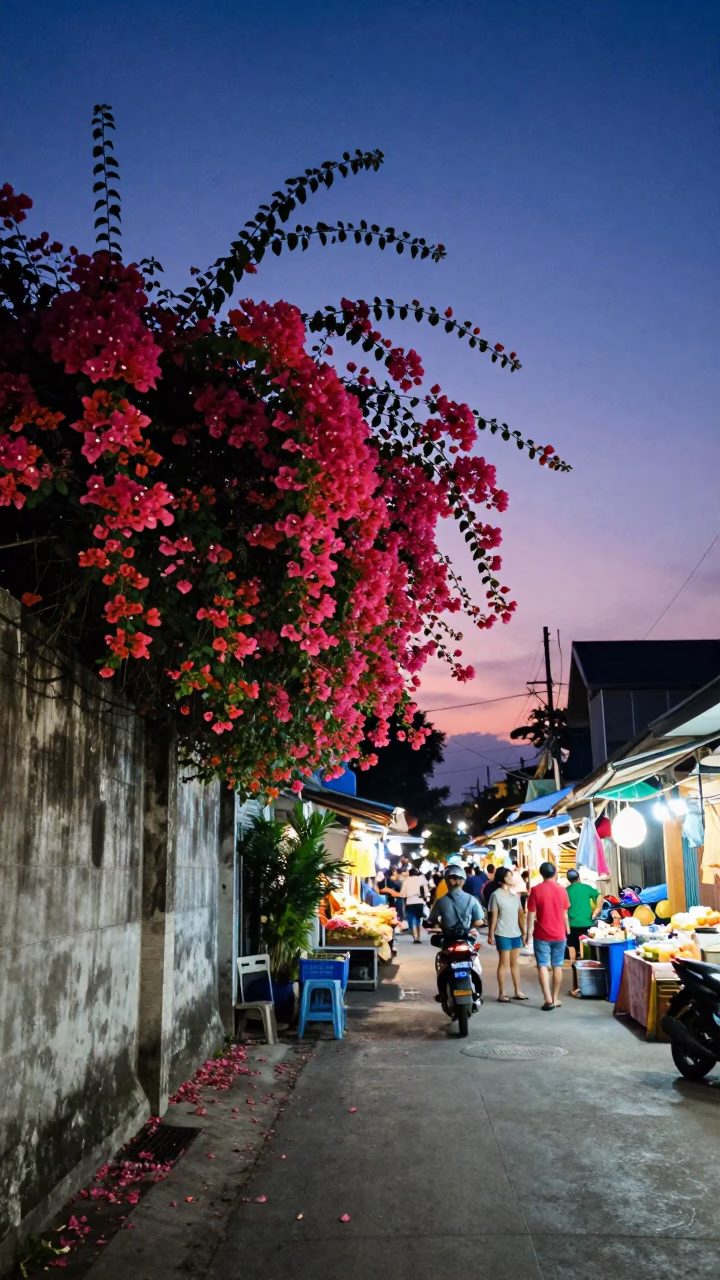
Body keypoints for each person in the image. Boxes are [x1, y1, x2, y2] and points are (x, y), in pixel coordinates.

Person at [526, 861, 570, 1011]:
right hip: (559, 934)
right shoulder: (562, 890)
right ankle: (555, 997)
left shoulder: (536, 890)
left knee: (543, 965)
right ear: (555, 872)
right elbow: (565, 914)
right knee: (557, 965)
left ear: (541, 873)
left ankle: (548, 999)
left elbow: (531, 914)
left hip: (541, 934)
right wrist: (567, 930)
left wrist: (527, 933)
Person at [487, 867, 528, 1002]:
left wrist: (523, 933)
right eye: (510, 876)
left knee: (514, 963)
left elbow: (520, 915)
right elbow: (494, 916)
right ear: (503, 879)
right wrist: (491, 934)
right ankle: (502, 993)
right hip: (502, 933)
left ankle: (517, 991)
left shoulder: (515, 896)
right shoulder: (496, 895)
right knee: (503, 963)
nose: (513, 879)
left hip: (515, 933)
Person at [566, 868, 602, 995]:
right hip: (587, 924)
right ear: (578, 877)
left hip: (571, 925)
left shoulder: (566, 890)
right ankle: (588, 986)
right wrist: (597, 910)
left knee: (572, 955)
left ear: (568, 880)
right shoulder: (587, 888)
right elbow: (599, 896)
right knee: (585, 954)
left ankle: (576, 985)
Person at [400, 863, 430, 943]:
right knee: (418, 920)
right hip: (419, 902)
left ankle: (414, 936)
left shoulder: (406, 881)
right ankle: (418, 938)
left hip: (409, 902)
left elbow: (402, 893)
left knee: (411, 919)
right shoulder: (421, 879)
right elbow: (426, 890)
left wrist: (406, 895)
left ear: (409, 874)